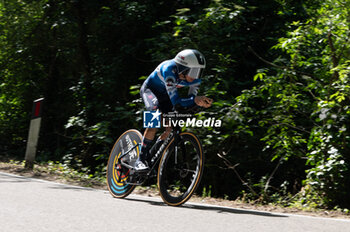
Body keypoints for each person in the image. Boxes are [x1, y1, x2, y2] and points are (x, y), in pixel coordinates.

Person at [135, 49, 213, 171]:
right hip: (151, 91)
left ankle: (150, 155)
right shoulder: (169, 70)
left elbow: (190, 99)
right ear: (182, 68)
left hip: (166, 96)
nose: (195, 77)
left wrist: (200, 104)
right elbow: (177, 101)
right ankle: (140, 160)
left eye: (198, 72)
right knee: (154, 120)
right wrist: (196, 100)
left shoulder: (195, 79)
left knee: (170, 128)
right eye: (193, 71)